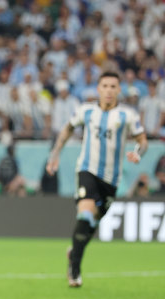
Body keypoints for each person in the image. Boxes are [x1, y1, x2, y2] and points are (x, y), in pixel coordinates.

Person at [46, 71, 148, 287]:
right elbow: (67, 128)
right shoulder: (87, 110)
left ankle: (74, 251)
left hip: (111, 180)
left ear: (119, 90)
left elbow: (143, 140)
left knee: (90, 225)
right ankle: (74, 269)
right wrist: (55, 153)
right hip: (87, 170)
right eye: (105, 86)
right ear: (98, 89)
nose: (109, 90)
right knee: (84, 214)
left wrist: (138, 152)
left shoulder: (127, 115)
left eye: (113, 86)